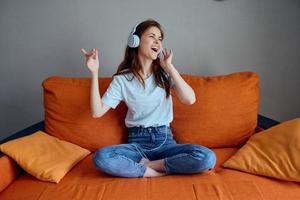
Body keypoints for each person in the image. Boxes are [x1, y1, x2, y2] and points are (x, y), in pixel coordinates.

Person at [80, 19, 216, 178]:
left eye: (160, 39)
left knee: (207, 158)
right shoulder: (122, 80)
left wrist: (169, 67)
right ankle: (152, 172)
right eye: (152, 36)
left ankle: (150, 166)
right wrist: (94, 72)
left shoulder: (165, 73)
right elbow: (97, 112)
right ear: (135, 40)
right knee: (101, 158)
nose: (157, 42)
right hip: (137, 144)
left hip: (165, 141)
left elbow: (190, 99)